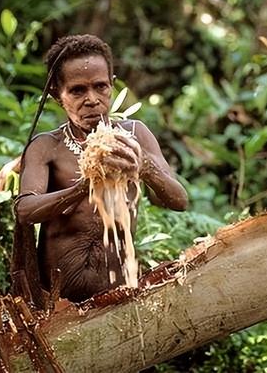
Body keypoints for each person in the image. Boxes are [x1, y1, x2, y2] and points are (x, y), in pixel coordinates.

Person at [14, 34, 188, 303]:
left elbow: (178, 200)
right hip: (59, 302)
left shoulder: (135, 135)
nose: (92, 99)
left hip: (119, 296)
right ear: (57, 95)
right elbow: (25, 211)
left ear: (112, 85)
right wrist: (83, 187)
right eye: (77, 91)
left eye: (100, 87)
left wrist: (144, 167)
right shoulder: (47, 147)